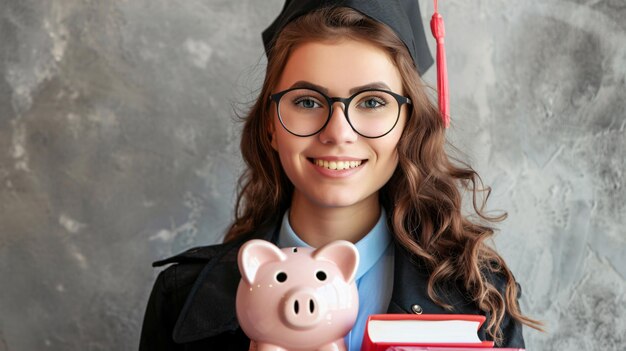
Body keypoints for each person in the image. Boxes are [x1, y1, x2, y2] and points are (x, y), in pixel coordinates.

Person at [139, 1, 543, 350]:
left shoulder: (479, 295)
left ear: (409, 125)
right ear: (270, 125)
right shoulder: (184, 298)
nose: (338, 133)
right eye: (308, 101)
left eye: (371, 102)